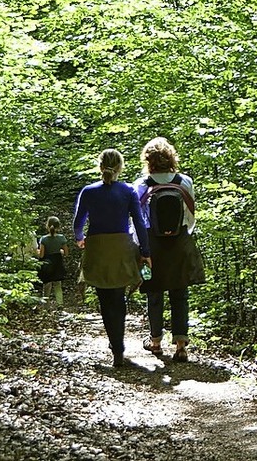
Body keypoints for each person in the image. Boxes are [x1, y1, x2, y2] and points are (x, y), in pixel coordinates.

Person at [73, 148, 151, 367]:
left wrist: (80, 239)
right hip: (121, 248)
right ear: (120, 167)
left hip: (97, 248)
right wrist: (145, 251)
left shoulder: (88, 191)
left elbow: (78, 224)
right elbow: (139, 223)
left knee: (105, 299)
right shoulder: (128, 191)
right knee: (118, 296)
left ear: (100, 166)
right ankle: (119, 345)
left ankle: (116, 347)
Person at [133, 136, 205, 363]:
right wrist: (183, 234)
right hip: (179, 242)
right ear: (172, 157)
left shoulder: (141, 184)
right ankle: (181, 346)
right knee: (180, 293)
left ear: (148, 160)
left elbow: (137, 219)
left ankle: (155, 342)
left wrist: (141, 246)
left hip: (152, 243)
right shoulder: (185, 181)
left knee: (154, 292)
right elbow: (191, 216)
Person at [38, 216, 69, 306]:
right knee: (58, 285)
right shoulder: (61, 238)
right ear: (58, 226)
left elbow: (41, 255)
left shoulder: (43, 239)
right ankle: (60, 304)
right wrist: (61, 251)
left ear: (47, 226)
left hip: (47, 264)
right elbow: (66, 253)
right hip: (57, 263)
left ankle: (46, 307)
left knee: (46, 286)